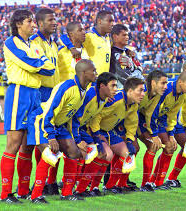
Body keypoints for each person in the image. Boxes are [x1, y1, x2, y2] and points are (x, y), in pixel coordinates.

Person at [0, 9, 55, 203]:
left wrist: (38, 63)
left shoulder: (32, 44)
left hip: (35, 94)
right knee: (13, 144)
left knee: (28, 146)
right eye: (29, 21)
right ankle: (5, 193)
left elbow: (50, 69)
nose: (33, 25)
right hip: (19, 93)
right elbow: (30, 64)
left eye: (33, 21)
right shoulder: (10, 42)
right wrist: (39, 63)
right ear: (18, 24)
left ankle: (23, 191)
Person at [28, 59, 97, 203]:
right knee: (49, 154)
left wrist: (77, 140)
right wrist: (51, 136)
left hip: (60, 126)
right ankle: (35, 195)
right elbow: (48, 111)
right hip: (42, 121)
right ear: (84, 73)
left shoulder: (84, 89)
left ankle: (66, 193)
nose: (96, 73)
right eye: (93, 71)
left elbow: (76, 118)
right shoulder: (66, 87)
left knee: (74, 152)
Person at [64, 72, 117, 198]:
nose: (115, 89)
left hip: (82, 128)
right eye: (113, 86)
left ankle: (80, 188)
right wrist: (77, 139)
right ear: (102, 86)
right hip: (69, 127)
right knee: (75, 153)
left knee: (96, 151)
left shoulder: (102, 99)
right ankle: (67, 189)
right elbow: (75, 117)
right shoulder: (90, 95)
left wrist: (96, 139)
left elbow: (93, 120)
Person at [89, 77, 145, 194]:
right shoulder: (116, 100)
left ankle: (110, 186)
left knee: (129, 152)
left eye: (143, 91)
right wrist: (96, 134)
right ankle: (91, 187)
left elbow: (131, 124)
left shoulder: (133, 104)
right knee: (105, 155)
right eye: (140, 90)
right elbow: (97, 115)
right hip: (95, 130)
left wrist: (129, 140)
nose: (143, 94)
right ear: (130, 91)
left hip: (109, 132)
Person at [30, 7, 60, 195]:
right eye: (50, 20)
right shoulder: (34, 42)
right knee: (42, 139)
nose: (54, 22)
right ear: (40, 23)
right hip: (41, 93)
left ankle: (51, 182)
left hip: (54, 94)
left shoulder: (53, 43)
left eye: (55, 19)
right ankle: (37, 184)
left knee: (53, 137)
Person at [147, 71, 186, 189]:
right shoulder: (166, 90)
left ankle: (157, 181)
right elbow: (154, 111)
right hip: (153, 120)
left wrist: (172, 135)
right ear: (180, 82)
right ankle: (155, 182)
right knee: (168, 146)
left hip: (164, 121)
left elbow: (173, 115)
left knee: (172, 146)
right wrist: (154, 133)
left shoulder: (182, 94)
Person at [165, 59, 186, 188]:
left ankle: (171, 178)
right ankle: (156, 180)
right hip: (165, 120)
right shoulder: (173, 84)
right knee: (169, 147)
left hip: (177, 123)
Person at [137, 70, 168, 192]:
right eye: (163, 83)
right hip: (127, 120)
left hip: (138, 120)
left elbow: (149, 114)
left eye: (166, 83)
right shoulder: (142, 91)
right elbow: (132, 110)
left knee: (153, 146)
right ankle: (114, 184)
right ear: (153, 83)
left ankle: (146, 183)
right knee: (131, 148)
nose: (165, 86)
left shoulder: (157, 95)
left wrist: (154, 134)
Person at [60, 10, 114, 75]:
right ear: (99, 21)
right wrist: (72, 48)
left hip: (104, 80)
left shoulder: (108, 38)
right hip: (92, 80)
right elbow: (64, 37)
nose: (112, 24)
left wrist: (127, 50)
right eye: (109, 21)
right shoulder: (89, 36)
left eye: (113, 21)